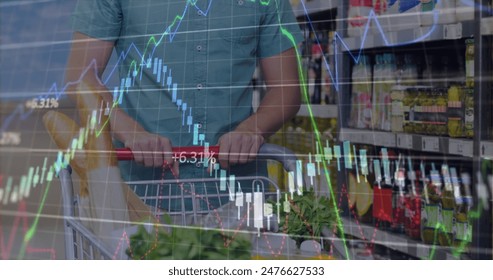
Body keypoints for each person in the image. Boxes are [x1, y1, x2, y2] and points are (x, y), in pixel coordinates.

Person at [64, 0, 303, 212]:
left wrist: (253, 129)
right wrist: (132, 133)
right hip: (142, 199)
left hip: (238, 199)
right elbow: (81, 77)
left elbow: (287, 90)